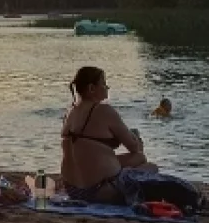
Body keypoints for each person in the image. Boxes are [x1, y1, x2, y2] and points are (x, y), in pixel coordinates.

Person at [60, 66, 157, 205]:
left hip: (72, 190)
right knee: (150, 166)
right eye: (104, 83)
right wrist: (135, 136)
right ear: (92, 88)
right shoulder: (104, 110)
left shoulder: (70, 112)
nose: (107, 87)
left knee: (137, 159)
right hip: (99, 191)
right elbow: (135, 148)